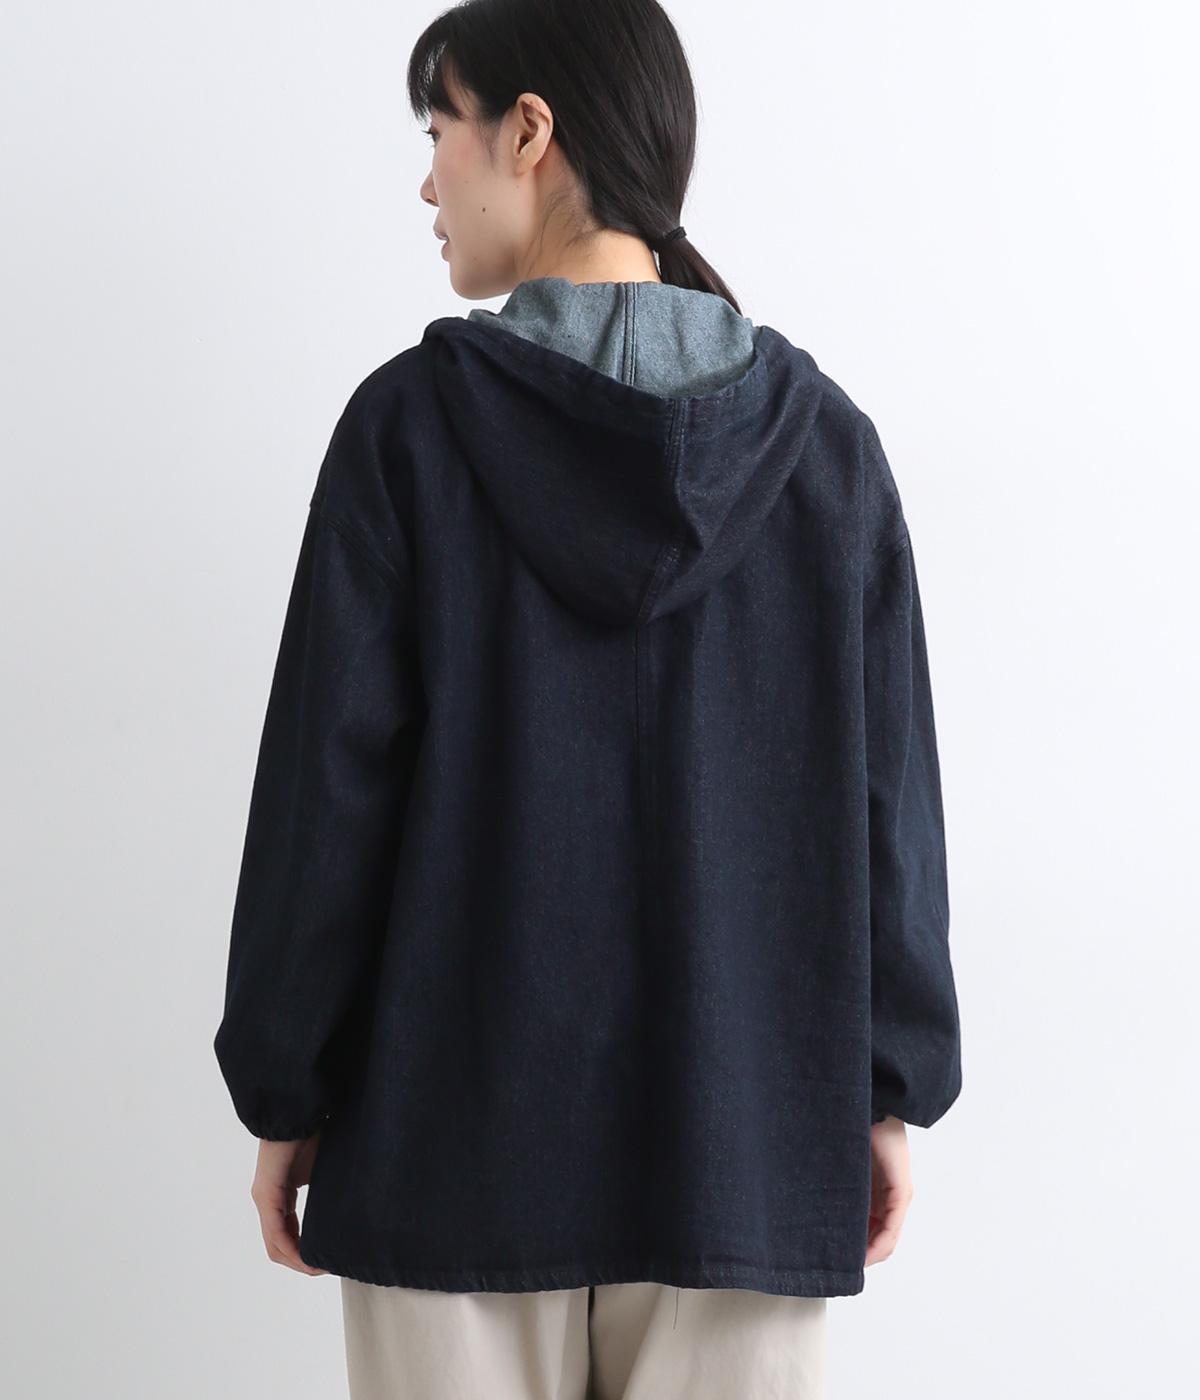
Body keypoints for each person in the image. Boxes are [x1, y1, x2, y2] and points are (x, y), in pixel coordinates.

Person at [213, 2, 963, 1396]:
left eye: (440, 128)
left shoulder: (407, 435)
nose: (427, 180)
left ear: (530, 132)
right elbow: (891, 811)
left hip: (445, 1155)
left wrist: (285, 1085)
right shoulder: (827, 456)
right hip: (745, 1152)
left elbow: (328, 803)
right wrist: (886, 1088)